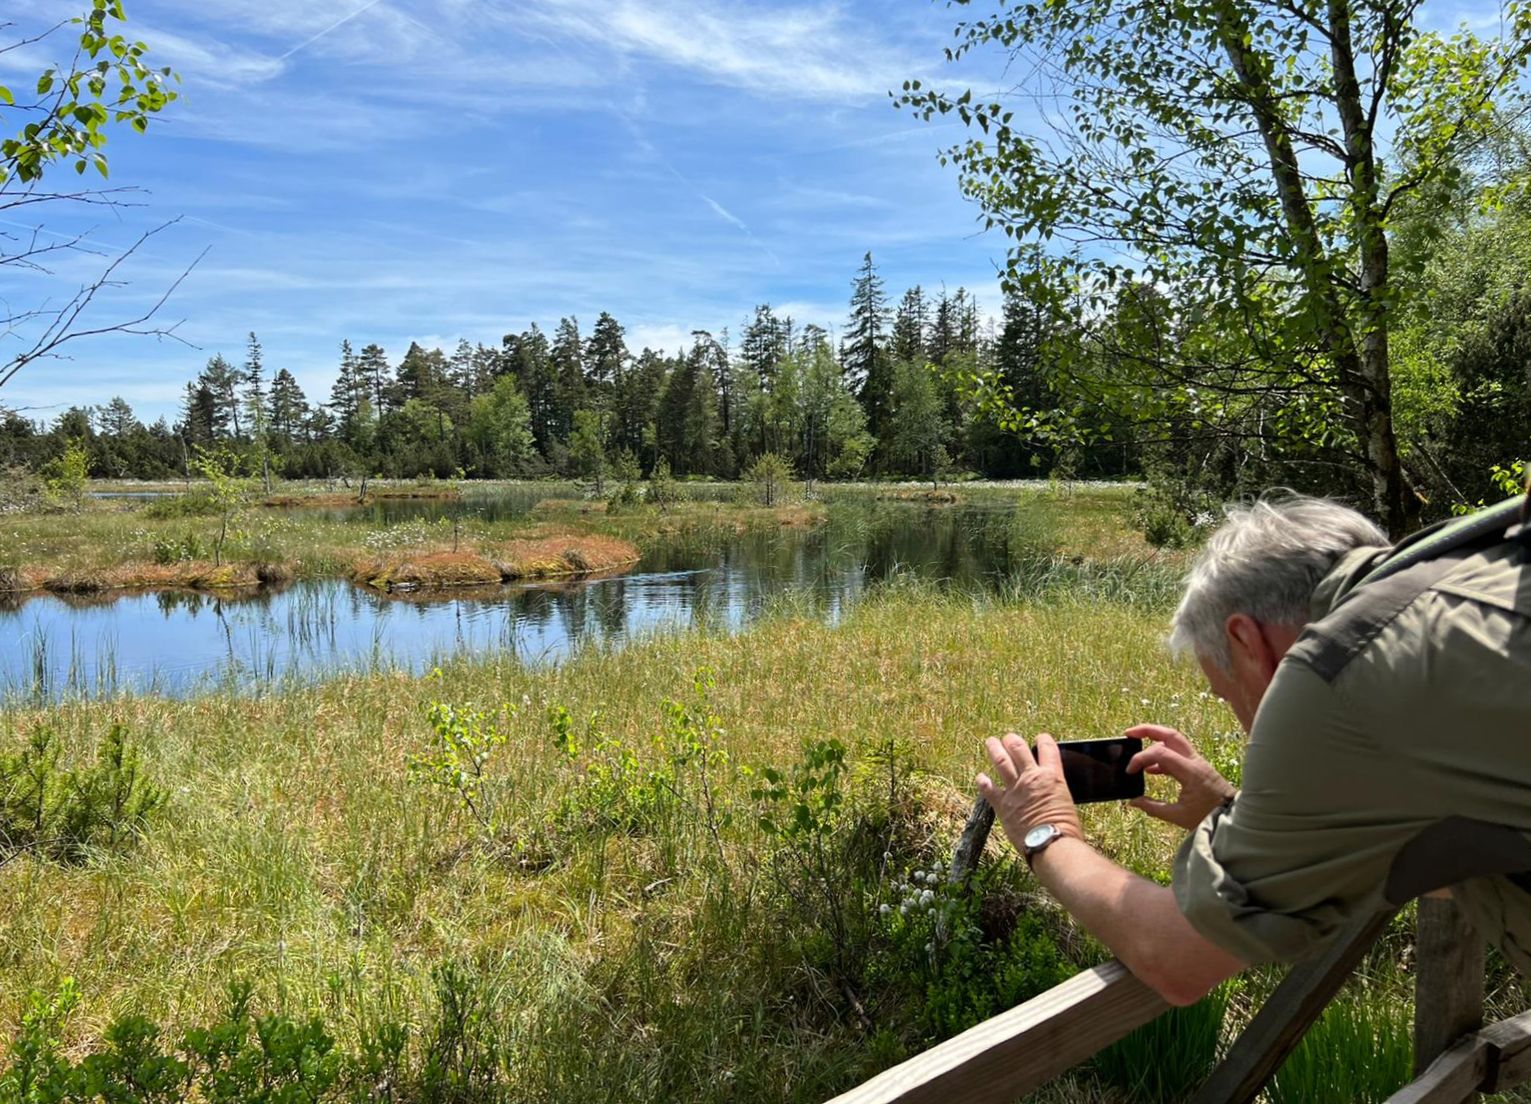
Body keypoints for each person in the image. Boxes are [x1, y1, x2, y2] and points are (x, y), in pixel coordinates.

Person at [976, 492, 1531, 1006]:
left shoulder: (1340, 670)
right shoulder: (1469, 566)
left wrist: (1045, 830)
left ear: (1247, 641)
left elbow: (1178, 957)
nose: (1246, 725)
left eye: (1227, 694)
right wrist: (1231, 808)